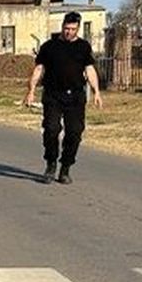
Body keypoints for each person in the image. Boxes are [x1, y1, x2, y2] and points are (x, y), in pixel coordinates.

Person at [22, 12, 102, 184]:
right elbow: (38, 69)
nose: (69, 32)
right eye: (66, 28)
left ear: (78, 29)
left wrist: (96, 91)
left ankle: (65, 168)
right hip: (53, 94)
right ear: (62, 26)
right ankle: (51, 164)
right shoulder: (49, 46)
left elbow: (90, 70)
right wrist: (31, 91)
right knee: (51, 129)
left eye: (73, 29)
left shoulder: (83, 47)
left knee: (74, 132)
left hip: (75, 96)